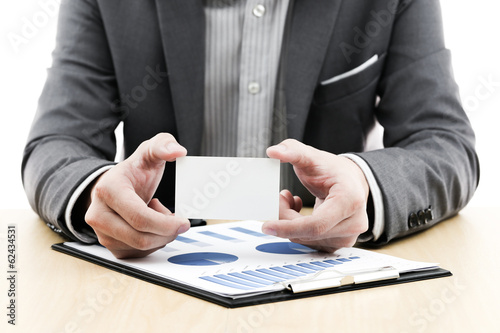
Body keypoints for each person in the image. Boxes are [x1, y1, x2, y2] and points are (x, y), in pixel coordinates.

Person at [22, 0, 479, 259]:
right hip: (156, 271)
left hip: (324, 280)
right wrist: (98, 190)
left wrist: (361, 182)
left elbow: (444, 142)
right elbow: (58, 141)